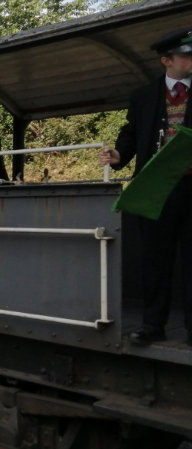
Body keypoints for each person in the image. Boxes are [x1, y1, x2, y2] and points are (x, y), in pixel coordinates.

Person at [100, 27, 192, 345]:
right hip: (156, 188)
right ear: (167, 60)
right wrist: (119, 154)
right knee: (155, 259)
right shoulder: (144, 96)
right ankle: (153, 325)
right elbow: (131, 132)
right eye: (187, 55)